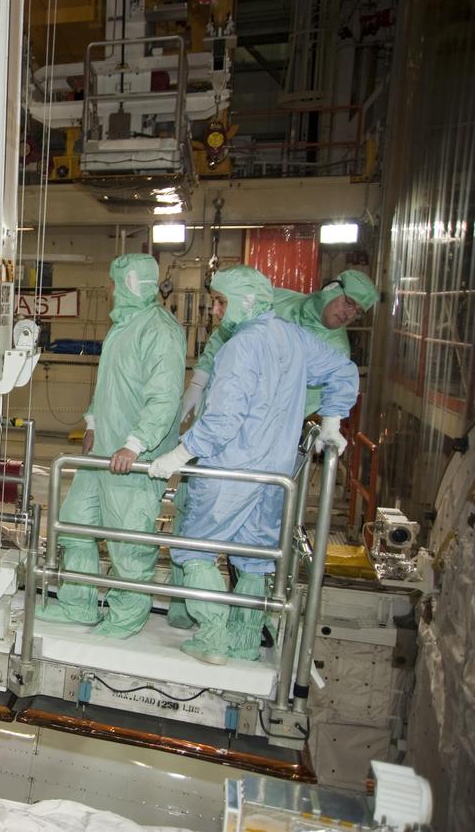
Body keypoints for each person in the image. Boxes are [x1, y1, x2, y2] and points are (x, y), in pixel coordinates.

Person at [148, 267, 359, 664]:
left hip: (231, 470)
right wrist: (331, 422)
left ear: (246, 302)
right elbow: (343, 371)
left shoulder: (240, 347)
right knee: (255, 557)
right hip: (274, 475)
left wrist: (178, 455)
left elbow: (224, 419)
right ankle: (245, 642)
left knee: (194, 551)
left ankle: (213, 640)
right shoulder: (294, 338)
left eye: (221, 302)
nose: (213, 310)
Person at [36, 254, 185, 638]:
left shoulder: (159, 331)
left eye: (115, 282)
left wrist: (135, 444)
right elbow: (109, 388)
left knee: (127, 539)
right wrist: (93, 422)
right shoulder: (123, 325)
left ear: (133, 284)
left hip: (131, 459)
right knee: (74, 525)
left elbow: (164, 398)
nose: (109, 289)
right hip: (102, 451)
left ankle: (126, 617)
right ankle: (78, 604)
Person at [180, 269, 377, 422]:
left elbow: (302, 404)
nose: (349, 314)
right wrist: (199, 382)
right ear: (331, 288)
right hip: (217, 403)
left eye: (358, 312)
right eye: (349, 303)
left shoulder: (336, 353)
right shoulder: (277, 299)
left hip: (257, 435)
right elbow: (224, 332)